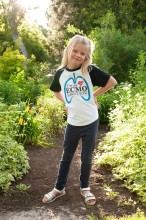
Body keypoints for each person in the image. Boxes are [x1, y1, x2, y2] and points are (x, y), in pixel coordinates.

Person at [42, 34, 117, 205]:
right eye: (75, 51)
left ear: (86, 56)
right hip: (73, 123)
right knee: (66, 156)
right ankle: (59, 188)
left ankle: (85, 188)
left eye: (83, 53)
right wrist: (66, 103)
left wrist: (93, 95)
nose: (78, 55)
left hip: (90, 121)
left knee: (86, 156)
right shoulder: (60, 73)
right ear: (68, 50)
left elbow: (112, 82)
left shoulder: (89, 70)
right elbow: (56, 92)